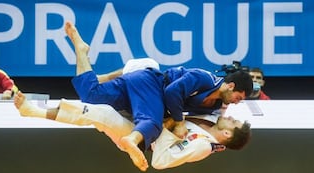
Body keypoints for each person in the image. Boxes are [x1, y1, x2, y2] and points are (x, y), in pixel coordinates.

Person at [65, 21, 253, 171]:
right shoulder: (203, 77)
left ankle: (82, 51)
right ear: (231, 85)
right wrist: (178, 122)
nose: (238, 103)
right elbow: (172, 92)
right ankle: (132, 140)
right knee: (152, 122)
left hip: (145, 87)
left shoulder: (216, 106)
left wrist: (216, 145)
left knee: (91, 96)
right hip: (155, 86)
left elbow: (220, 132)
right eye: (239, 97)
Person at [13, 91, 251, 170]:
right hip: (150, 115)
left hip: (143, 139)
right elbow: (219, 103)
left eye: (234, 123)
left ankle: (31, 111)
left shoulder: (201, 145)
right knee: (144, 66)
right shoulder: (213, 119)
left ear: (228, 134)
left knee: (102, 114)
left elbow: (159, 161)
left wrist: (169, 127)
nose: (230, 118)